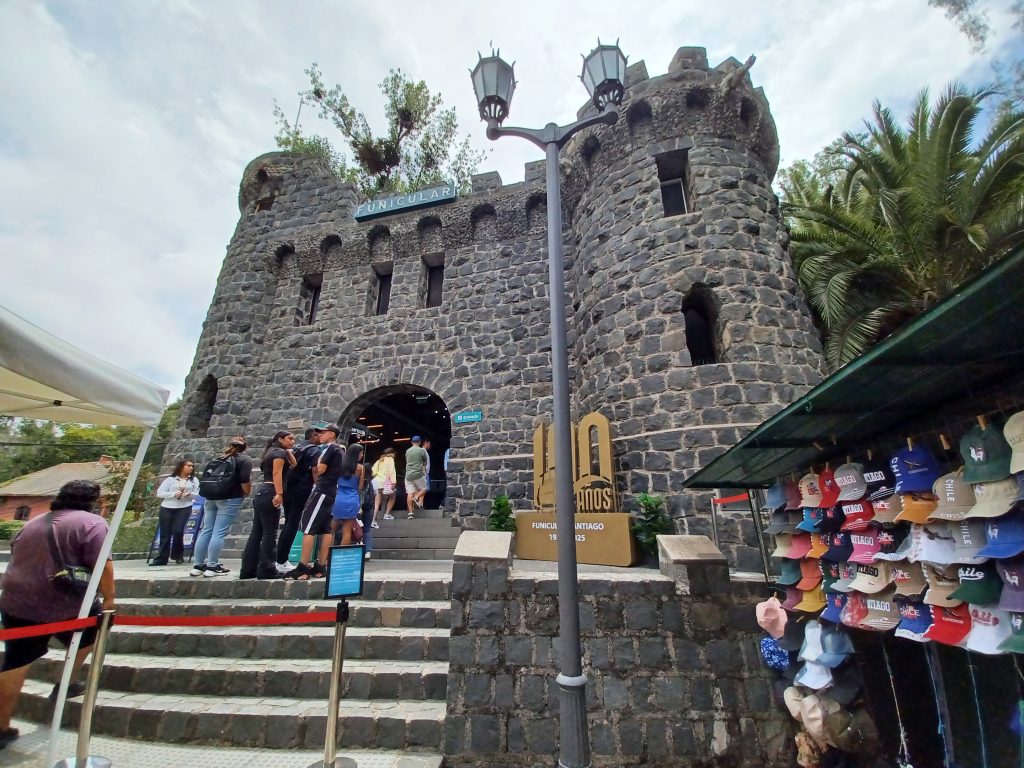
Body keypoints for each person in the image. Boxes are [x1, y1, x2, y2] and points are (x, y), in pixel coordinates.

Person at [0, 480, 116, 748]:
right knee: (92, 634)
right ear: (93, 501)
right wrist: (110, 598)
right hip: (66, 601)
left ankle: (2, 726)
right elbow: (103, 564)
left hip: (17, 599)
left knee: (16, 661)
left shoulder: (35, 521)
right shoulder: (92, 523)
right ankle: (66, 680)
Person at [286, 423, 344, 580]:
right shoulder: (340, 450)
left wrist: (318, 461)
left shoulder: (330, 449)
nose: (320, 435)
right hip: (331, 491)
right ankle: (321, 565)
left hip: (322, 490)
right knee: (326, 529)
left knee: (308, 526)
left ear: (331, 434)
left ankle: (303, 566)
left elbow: (321, 469)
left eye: (323, 432)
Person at [190, 436, 252, 578]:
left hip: (211, 496)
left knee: (206, 530)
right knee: (219, 531)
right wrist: (247, 491)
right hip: (229, 497)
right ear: (244, 447)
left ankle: (198, 565)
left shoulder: (219, 458)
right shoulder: (244, 459)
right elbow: (244, 479)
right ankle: (212, 565)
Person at [241, 430, 297, 580]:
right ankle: (267, 568)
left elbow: (294, 463)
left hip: (262, 492)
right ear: (280, 439)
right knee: (269, 533)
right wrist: (279, 494)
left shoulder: (270, 453)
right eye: (289, 439)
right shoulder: (279, 454)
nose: (292, 441)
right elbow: (277, 474)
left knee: (256, 533)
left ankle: (248, 568)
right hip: (272, 491)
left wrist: (288, 450)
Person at [276, 426, 323, 573]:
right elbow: (315, 469)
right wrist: (317, 485)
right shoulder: (314, 450)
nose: (321, 438)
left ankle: (279, 557)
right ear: (314, 436)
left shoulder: (296, 448)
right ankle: (281, 560)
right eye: (320, 435)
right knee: (293, 523)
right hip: (302, 488)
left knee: (288, 521)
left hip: (288, 487)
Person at [151, 458, 199, 565]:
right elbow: (160, 493)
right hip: (167, 507)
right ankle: (161, 558)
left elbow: (198, 493)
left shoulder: (194, 480)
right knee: (165, 532)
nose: (191, 468)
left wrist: (189, 494)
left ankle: (177, 554)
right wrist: (173, 494)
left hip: (184, 506)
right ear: (181, 466)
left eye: (192, 466)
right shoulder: (170, 479)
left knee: (178, 531)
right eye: (188, 465)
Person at [331, 443, 364, 545]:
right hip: (352, 498)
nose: (362, 455)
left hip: (338, 497)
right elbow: (360, 487)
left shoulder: (339, 465)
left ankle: (325, 556)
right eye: (361, 453)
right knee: (347, 531)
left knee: (331, 530)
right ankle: (341, 557)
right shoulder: (360, 468)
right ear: (356, 454)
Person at [371, 447, 398, 525]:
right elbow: (391, 470)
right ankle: (386, 514)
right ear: (391, 454)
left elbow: (373, 472)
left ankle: (373, 521)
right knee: (393, 496)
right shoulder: (390, 460)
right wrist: (393, 482)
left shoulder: (379, 460)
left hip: (376, 481)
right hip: (385, 482)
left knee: (377, 503)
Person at [405, 435, 429, 519]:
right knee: (424, 488)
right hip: (418, 474)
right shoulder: (422, 450)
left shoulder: (408, 451)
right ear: (419, 442)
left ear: (412, 442)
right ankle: (416, 497)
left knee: (410, 493)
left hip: (408, 475)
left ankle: (410, 513)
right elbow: (425, 462)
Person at [360, 461, 375, 560]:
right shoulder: (373, 481)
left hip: (358, 507)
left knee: (356, 528)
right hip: (369, 507)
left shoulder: (359, 479)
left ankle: (357, 548)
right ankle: (368, 551)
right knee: (367, 530)